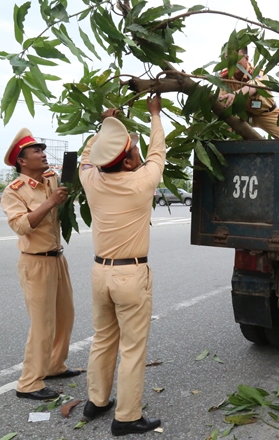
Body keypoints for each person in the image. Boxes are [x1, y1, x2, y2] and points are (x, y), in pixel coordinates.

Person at [78, 95, 164, 436]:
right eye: (133, 151)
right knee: (131, 347)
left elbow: (87, 158)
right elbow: (159, 152)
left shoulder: (92, 181)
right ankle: (127, 418)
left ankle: (96, 401)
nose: (140, 155)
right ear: (128, 163)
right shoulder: (140, 183)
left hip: (100, 273)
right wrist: (155, 115)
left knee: (102, 339)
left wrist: (104, 128)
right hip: (131, 275)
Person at [1, 129, 80, 401]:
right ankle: (29, 383)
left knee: (65, 316)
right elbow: (22, 226)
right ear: (21, 161)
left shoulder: (50, 179)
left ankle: (54, 366)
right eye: (36, 151)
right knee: (42, 323)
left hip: (57, 258)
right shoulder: (13, 192)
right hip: (35, 263)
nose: (43, 154)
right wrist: (50, 202)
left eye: (42, 150)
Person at [218, 46, 279, 139]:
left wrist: (235, 95)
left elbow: (253, 86)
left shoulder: (258, 72)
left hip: (267, 114)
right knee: (218, 135)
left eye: (235, 57)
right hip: (242, 116)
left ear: (246, 58)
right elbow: (222, 102)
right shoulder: (224, 79)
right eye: (227, 58)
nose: (231, 61)